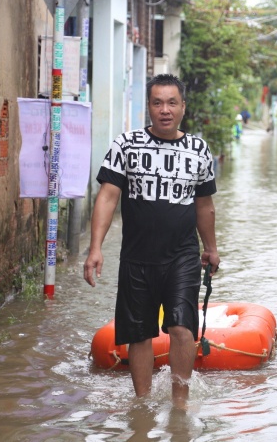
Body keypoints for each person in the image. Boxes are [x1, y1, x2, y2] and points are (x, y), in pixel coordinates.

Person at [83, 73, 220, 408]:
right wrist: (96, 247)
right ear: (148, 107)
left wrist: (211, 249)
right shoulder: (126, 145)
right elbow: (108, 196)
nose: (165, 110)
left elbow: (204, 205)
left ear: (183, 107)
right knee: (139, 334)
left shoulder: (198, 150)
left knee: (182, 329)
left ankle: (180, 404)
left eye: (172, 102)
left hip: (183, 257)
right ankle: (142, 406)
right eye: (157, 102)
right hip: (137, 257)